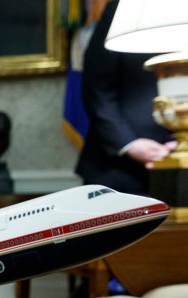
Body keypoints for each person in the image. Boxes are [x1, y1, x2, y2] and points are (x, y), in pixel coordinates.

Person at [75, 0, 175, 194]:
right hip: (117, 170)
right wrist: (128, 144)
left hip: (181, 165)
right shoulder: (122, 9)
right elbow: (97, 87)